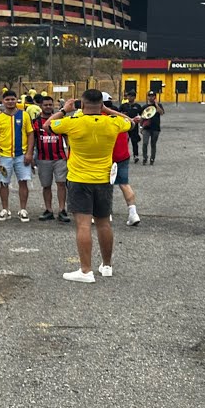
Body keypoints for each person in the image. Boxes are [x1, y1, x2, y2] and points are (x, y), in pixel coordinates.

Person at [48, 90, 134, 283]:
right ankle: (107, 265)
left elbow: (47, 125)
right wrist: (107, 110)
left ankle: (86, 270)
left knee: (83, 225)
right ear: (101, 104)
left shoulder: (73, 123)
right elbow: (131, 122)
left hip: (79, 179)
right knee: (104, 223)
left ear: (83, 104)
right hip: (103, 179)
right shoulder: (112, 122)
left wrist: (64, 110)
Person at [0, 90, 35, 222]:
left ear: (17, 100)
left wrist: (29, 153)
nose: (10, 102)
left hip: (21, 155)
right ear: (3, 101)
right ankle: (5, 209)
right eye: (7, 100)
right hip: (4, 156)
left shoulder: (24, 115)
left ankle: (23, 209)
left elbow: (30, 134)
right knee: (3, 183)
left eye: (12, 99)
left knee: (23, 181)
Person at [31, 95, 70, 223]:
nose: (48, 107)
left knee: (61, 184)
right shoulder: (35, 122)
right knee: (46, 185)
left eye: (50, 105)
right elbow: (33, 140)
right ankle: (48, 210)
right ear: (41, 106)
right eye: (45, 105)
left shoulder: (60, 120)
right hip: (43, 158)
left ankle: (62, 210)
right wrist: (31, 156)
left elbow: (67, 138)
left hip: (59, 157)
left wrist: (70, 153)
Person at [105, 95, 141, 227]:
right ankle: (133, 213)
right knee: (124, 184)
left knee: (105, 186)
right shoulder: (120, 118)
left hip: (106, 157)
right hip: (122, 155)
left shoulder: (96, 118)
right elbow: (131, 125)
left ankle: (106, 213)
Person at [139, 91, 165, 165]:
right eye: (149, 96)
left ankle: (152, 158)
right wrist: (141, 127)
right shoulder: (144, 107)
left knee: (153, 144)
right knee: (145, 143)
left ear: (155, 97)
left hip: (155, 128)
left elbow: (161, 113)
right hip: (146, 128)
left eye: (152, 96)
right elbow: (142, 118)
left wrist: (156, 105)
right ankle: (145, 157)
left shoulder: (159, 105)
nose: (151, 97)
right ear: (147, 97)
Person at [118, 92, 143, 162]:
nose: (129, 97)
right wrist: (122, 114)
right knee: (125, 141)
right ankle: (124, 155)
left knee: (134, 141)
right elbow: (118, 113)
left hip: (134, 126)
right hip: (125, 125)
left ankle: (136, 155)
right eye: (128, 96)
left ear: (134, 97)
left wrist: (140, 119)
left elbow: (142, 115)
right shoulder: (123, 105)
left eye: (131, 96)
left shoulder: (137, 106)